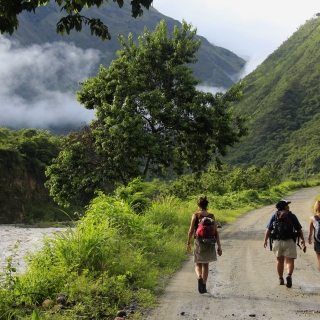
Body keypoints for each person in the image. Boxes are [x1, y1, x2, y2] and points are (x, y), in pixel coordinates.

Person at [263, 199, 305, 288]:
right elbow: (299, 229)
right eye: (287, 205)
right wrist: (302, 240)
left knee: (279, 260)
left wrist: (265, 240)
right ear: (285, 207)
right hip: (289, 241)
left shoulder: (274, 216)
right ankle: (289, 275)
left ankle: (280, 279)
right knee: (290, 261)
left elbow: (268, 230)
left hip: (277, 241)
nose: (288, 206)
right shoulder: (291, 216)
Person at [187, 196, 222, 294]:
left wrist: (188, 243)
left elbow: (190, 231)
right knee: (206, 265)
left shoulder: (196, 215)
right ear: (206, 205)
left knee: (198, 264)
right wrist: (219, 246)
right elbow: (216, 232)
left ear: (198, 205)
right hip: (210, 243)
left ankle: (199, 277)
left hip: (199, 242)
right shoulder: (211, 216)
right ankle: (204, 285)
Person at [308, 200, 320, 271]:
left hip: (318, 241)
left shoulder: (313, 218)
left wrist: (309, 239)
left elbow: (310, 232)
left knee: (319, 260)